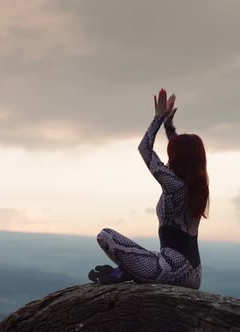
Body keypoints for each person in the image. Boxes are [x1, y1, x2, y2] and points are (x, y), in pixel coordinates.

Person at [88, 89, 209, 290]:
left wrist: (158, 118)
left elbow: (144, 149)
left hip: (171, 270)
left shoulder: (174, 186)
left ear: (176, 157)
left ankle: (125, 272)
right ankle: (123, 272)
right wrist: (169, 127)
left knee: (105, 235)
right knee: (151, 254)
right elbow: (184, 152)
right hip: (193, 274)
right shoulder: (198, 185)